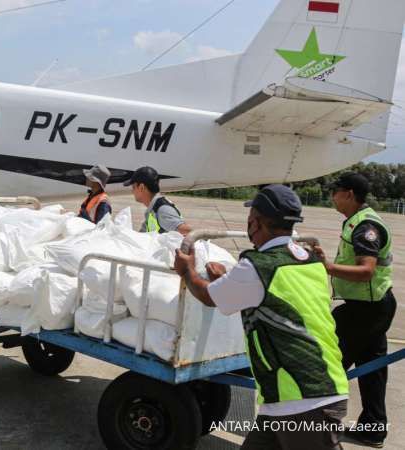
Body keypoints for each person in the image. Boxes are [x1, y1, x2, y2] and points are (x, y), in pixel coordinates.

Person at [174, 184, 349, 450]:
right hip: (291, 396)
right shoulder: (311, 260)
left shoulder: (258, 265)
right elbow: (276, 299)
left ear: (255, 222)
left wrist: (187, 271)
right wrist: (227, 280)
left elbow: (209, 296)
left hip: (304, 399)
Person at [313, 173, 396, 448]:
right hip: (373, 306)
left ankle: (317, 428)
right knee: (372, 370)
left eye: (335, 191)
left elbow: (366, 270)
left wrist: (328, 267)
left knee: (329, 364)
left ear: (349, 194)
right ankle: (373, 430)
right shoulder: (359, 221)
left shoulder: (365, 226)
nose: (332, 196)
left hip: (366, 310)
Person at [123, 166, 191, 234]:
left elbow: (187, 232)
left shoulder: (162, 210)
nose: (132, 191)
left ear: (141, 187)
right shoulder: (153, 209)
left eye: (133, 187)